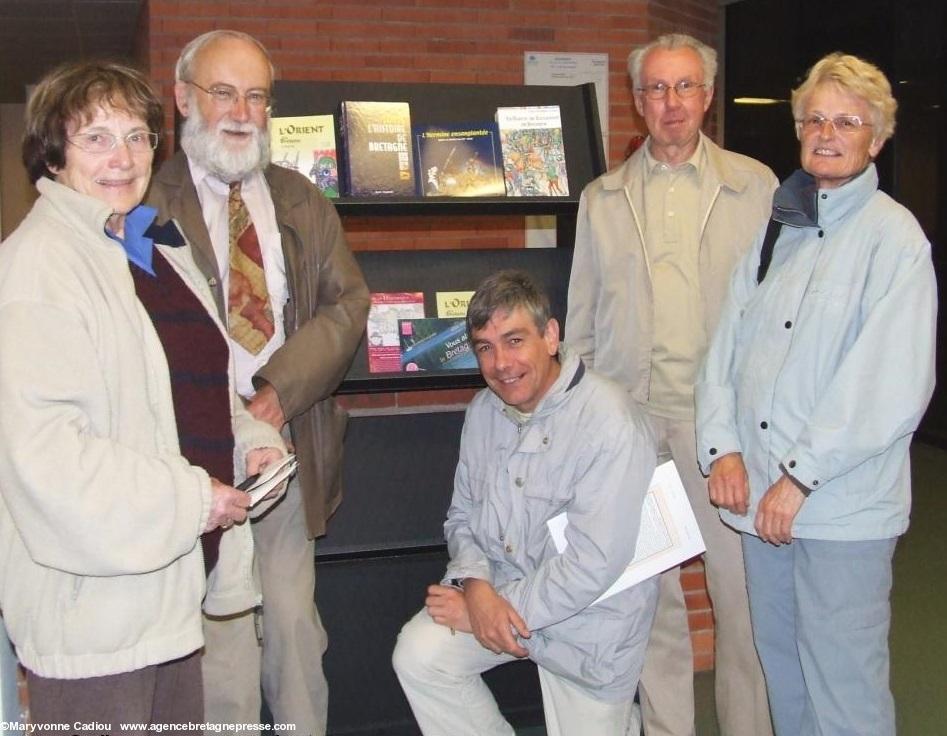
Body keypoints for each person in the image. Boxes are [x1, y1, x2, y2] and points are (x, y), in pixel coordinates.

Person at [0, 60, 285, 728]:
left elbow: (189, 392)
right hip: (95, 614)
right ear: (52, 153)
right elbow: (49, 459)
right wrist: (192, 498)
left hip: (169, 590)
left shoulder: (153, 249)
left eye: (136, 136)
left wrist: (252, 442)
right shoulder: (38, 266)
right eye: (95, 138)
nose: (122, 158)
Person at [696, 52, 936, 736]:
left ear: (876, 138)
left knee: (843, 687)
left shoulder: (894, 240)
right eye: (815, 118)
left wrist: (797, 479)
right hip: (760, 501)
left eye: (847, 121)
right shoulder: (782, 226)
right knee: (785, 677)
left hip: (838, 513)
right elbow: (727, 346)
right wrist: (723, 449)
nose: (826, 133)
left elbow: (888, 384)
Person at [147, 30, 370, 735]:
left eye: (256, 95)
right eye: (222, 93)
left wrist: (277, 392)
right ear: (182, 98)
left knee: (297, 635)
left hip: (284, 449)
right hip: (193, 460)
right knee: (223, 649)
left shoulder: (300, 199)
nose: (240, 111)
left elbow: (348, 303)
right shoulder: (147, 203)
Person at [567, 32, 776, 736]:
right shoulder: (601, 199)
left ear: (708, 96)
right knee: (652, 603)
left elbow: (781, 315)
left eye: (684, 86)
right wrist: (585, 427)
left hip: (725, 436)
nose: (670, 102)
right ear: (636, 101)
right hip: (635, 431)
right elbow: (582, 324)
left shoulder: (756, 188)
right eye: (655, 89)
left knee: (739, 604)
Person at [392, 270, 659, 736]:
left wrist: (491, 609)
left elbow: (593, 564)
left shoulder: (610, 419)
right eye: (485, 347)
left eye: (514, 340)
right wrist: (474, 586)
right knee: (420, 656)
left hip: (589, 629)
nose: (501, 363)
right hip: (498, 597)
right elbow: (462, 518)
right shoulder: (482, 413)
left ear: (551, 336)